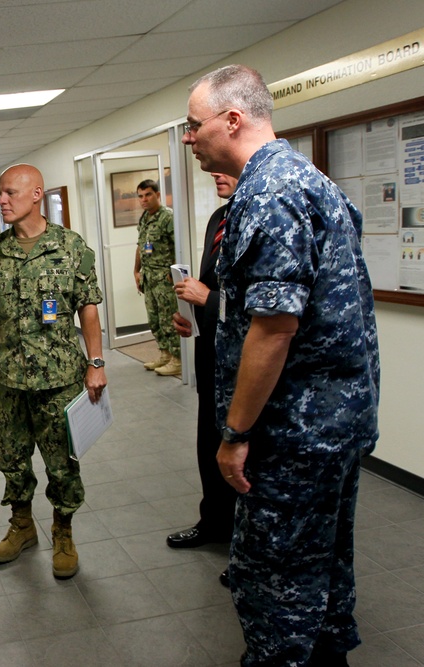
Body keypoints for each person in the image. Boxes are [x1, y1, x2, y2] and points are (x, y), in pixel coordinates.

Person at [183, 64, 380, 666]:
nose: (189, 139)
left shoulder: (269, 195)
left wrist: (236, 433)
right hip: (334, 423)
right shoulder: (309, 180)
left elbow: (272, 329)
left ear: (233, 120)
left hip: (291, 433)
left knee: (274, 584)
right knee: (324, 567)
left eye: (194, 127)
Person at [0, 164, 107, 579]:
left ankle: (63, 531)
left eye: (10, 193)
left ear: (36, 194)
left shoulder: (71, 247)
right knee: (11, 458)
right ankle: (22, 525)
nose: (2, 201)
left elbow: (89, 306)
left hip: (60, 379)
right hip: (9, 379)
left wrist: (96, 362)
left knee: (62, 462)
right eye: (0, 194)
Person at [168, 174, 239, 570]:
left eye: (227, 168)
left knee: (243, 459)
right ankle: (213, 522)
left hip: (245, 368)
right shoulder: (219, 218)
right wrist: (193, 314)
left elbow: (261, 310)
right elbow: (218, 287)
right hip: (212, 356)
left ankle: (248, 553)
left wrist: (207, 299)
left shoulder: (261, 218)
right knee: (209, 447)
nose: (218, 176)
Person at [133, 179, 181, 376]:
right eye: (141, 196)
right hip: (149, 278)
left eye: (148, 195)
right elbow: (140, 246)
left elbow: (179, 246)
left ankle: (178, 359)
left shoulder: (167, 217)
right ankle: (165, 354)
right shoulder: (144, 218)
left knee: (169, 319)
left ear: (158, 195)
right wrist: (136, 271)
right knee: (155, 320)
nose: (144, 200)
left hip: (164, 278)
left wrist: (175, 274)